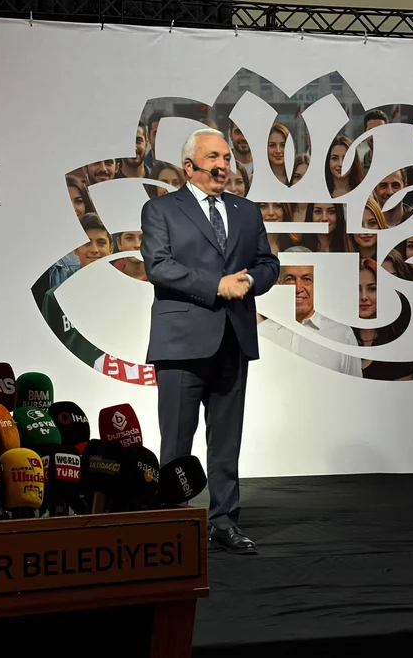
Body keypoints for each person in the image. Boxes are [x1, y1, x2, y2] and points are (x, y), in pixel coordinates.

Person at [140, 128, 280, 555]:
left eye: (227, 158)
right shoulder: (161, 210)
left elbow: (268, 264)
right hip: (181, 342)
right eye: (214, 157)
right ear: (190, 166)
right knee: (176, 442)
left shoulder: (245, 211)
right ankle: (173, 522)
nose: (223, 166)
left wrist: (250, 281)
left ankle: (223, 521)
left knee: (226, 442)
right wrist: (217, 285)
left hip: (233, 340)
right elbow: (159, 266)